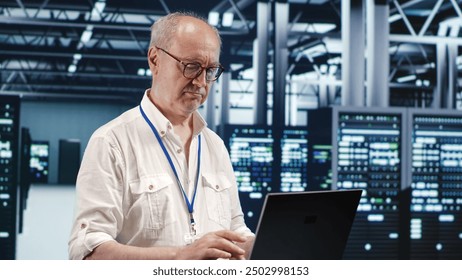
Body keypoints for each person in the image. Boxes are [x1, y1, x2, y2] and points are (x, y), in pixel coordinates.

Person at [68, 12, 255, 260]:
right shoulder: (112, 142)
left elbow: (235, 229)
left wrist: (272, 243)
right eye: (192, 66)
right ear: (155, 59)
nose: (201, 82)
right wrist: (180, 258)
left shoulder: (214, 146)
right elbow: (88, 253)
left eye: (210, 71)